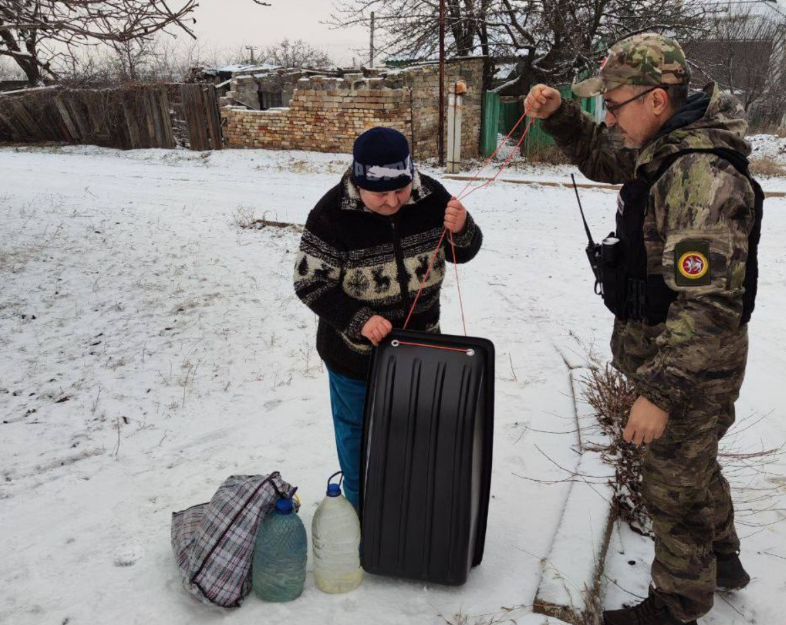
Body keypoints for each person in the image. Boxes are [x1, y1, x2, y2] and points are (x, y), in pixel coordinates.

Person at [524, 33, 763, 625]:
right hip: (674, 357)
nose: (609, 115)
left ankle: (679, 602)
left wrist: (658, 394)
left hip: (687, 366)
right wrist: (561, 116)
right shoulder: (667, 148)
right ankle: (723, 561)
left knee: (672, 483)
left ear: (657, 99)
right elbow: (606, 157)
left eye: (614, 103)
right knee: (694, 463)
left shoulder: (698, 176)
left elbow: (707, 306)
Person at [293, 127, 483, 509]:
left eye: (400, 189)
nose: (394, 201)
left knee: (418, 432)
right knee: (360, 437)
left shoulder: (430, 196)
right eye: (381, 193)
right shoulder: (331, 214)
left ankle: (412, 509)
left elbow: (465, 252)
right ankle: (365, 513)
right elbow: (308, 282)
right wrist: (358, 318)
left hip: (421, 349)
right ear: (358, 180)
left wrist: (463, 229)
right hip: (354, 358)